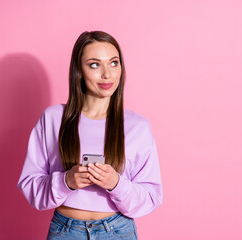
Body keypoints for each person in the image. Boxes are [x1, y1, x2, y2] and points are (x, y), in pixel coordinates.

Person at [17, 30, 163, 239]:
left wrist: (116, 183)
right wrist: (66, 181)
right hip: (66, 231)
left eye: (114, 63)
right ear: (79, 71)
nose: (107, 74)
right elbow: (30, 186)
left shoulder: (138, 127)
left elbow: (151, 197)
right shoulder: (53, 119)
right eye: (95, 64)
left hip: (117, 231)